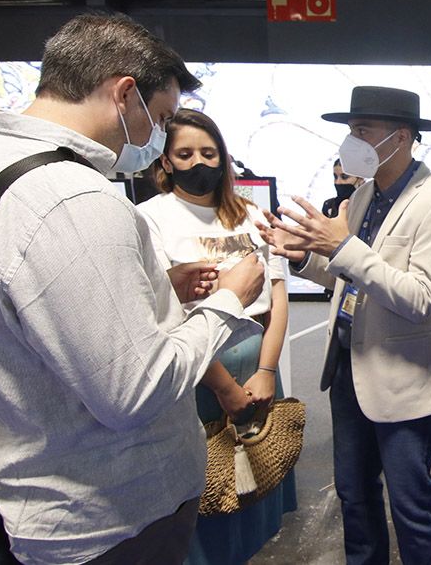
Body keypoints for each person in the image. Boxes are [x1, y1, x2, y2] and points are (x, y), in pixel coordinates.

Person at [0, 13, 265, 564]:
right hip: (104, 520)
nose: (158, 137)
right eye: (160, 119)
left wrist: (155, 288)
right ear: (124, 94)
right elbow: (133, 390)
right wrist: (228, 299)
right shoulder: (71, 196)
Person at [258, 85, 431, 565]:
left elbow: (419, 297)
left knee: (411, 505)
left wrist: (342, 246)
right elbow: (348, 275)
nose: (352, 141)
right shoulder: (365, 192)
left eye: (363, 131)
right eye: (351, 131)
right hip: (349, 368)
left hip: (404, 380)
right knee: (354, 496)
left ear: (403, 136)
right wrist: (306, 255)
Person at [136, 109, 297, 565]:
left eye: (208, 152)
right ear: (165, 161)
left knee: (254, 491)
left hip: (259, 374)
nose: (198, 162)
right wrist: (225, 388)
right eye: (184, 154)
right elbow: (163, 316)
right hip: (200, 378)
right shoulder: (149, 218)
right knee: (205, 505)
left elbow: (278, 295)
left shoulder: (247, 214)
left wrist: (267, 371)